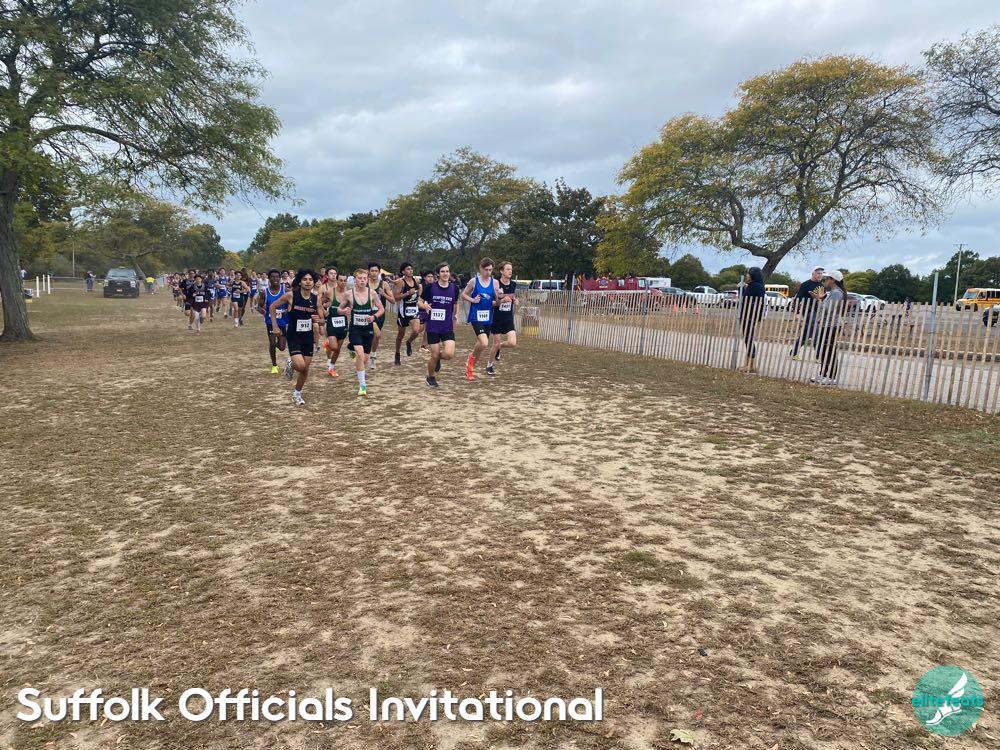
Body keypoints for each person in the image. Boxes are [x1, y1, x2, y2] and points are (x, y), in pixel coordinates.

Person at [270, 268, 320, 405]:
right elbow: (273, 307)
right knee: (300, 365)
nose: (308, 282)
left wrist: (319, 320)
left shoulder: (316, 299)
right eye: (305, 279)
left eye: (310, 280)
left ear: (314, 282)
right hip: (294, 336)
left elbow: (322, 318)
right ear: (299, 281)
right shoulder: (291, 296)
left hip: (308, 337)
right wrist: (275, 326)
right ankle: (292, 363)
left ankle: (297, 393)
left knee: (305, 369)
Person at [340, 268, 385, 397]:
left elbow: (381, 309)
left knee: (365, 360)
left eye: (365, 278)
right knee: (360, 356)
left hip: (367, 329)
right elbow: (339, 309)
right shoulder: (349, 294)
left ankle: (351, 347)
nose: (362, 281)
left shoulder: (372, 293)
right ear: (355, 280)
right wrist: (345, 311)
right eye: (360, 278)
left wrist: (374, 317)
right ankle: (362, 386)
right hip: (355, 329)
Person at [419, 262, 459, 388]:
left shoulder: (454, 288)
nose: (445, 274)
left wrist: (456, 316)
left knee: (449, 354)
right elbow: (419, 301)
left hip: (447, 326)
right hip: (433, 326)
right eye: (442, 271)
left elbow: (455, 303)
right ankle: (430, 377)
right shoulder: (430, 288)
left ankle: (437, 360)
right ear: (438, 274)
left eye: (447, 271)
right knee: (434, 354)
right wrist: (424, 306)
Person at [461, 258, 502, 381]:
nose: (488, 272)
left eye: (490, 270)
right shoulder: (474, 281)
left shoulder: (495, 283)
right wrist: (473, 300)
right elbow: (463, 294)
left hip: (488, 316)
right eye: (486, 270)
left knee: (481, 346)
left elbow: (497, 303)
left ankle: (470, 367)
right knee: (484, 342)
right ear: (481, 268)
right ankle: (470, 362)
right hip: (476, 315)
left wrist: (500, 296)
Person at [812, 270, 847, 386]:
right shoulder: (832, 292)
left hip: (832, 325)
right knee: (824, 350)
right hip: (826, 324)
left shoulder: (836, 293)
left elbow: (829, 309)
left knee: (830, 351)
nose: (826, 280)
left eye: (828, 278)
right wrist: (823, 299)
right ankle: (823, 374)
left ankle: (831, 377)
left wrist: (820, 300)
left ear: (833, 280)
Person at [488, 261, 519, 375]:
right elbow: (491, 302)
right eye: (508, 269)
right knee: (495, 344)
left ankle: (499, 347)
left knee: (512, 343)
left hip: (508, 317)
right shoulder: (496, 284)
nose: (510, 271)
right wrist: (501, 301)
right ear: (501, 271)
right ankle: (489, 365)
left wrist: (515, 301)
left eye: (511, 269)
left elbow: (513, 297)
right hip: (496, 318)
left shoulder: (513, 284)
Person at [790, 266, 825, 359]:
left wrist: (820, 298)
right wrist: (797, 312)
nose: (820, 275)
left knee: (806, 334)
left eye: (821, 273)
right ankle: (819, 356)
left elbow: (822, 299)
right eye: (818, 273)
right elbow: (798, 298)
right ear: (813, 273)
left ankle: (793, 353)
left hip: (817, 311)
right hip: (808, 310)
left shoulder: (821, 285)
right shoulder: (806, 284)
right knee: (816, 333)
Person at [366, 262, 395, 370]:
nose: (374, 273)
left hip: (379, 314)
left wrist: (384, 294)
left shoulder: (384, 284)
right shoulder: (364, 283)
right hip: (366, 313)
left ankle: (372, 355)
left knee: (375, 336)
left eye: (376, 271)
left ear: (379, 272)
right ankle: (370, 356)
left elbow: (393, 300)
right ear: (369, 272)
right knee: (374, 335)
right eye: (372, 271)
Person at [259, 269, 288, 374]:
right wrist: (264, 312)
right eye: (273, 277)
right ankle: (274, 365)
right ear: (269, 278)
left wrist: (286, 310)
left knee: (282, 347)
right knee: (272, 343)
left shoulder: (285, 290)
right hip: (270, 321)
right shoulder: (264, 292)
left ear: (280, 278)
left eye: (277, 277)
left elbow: (291, 303)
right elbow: (259, 306)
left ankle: (276, 346)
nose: (275, 279)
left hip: (283, 321)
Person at [393, 262, 422, 365]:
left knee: (416, 331)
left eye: (411, 269)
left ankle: (409, 342)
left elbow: (420, 289)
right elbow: (396, 298)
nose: (411, 270)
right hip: (403, 311)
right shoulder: (401, 282)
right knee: (401, 334)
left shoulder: (416, 281)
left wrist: (419, 296)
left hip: (414, 309)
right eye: (408, 269)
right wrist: (407, 293)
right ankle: (397, 354)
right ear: (403, 272)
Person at [321, 272, 349, 378]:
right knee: (334, 347)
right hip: (332, 322)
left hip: (343, 324)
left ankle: (331, 368)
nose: (343, 282)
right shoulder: (329, 292)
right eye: (341, 280)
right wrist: (324, 311)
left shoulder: (349, 293)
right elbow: (320, 303)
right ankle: (328, 344)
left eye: (345, 280)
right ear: (337, 281)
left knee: (337, 349)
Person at [739, 267, 766, 373]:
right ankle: (748, 364)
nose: (747, 275)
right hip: (751, 314)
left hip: (750, 315)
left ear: (753, 275)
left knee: (748, 339)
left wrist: (741, 288)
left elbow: (744, 298)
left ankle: (751, 366)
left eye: (749, 273)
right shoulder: (757, 285)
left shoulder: (755, 286)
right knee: (748, 338)